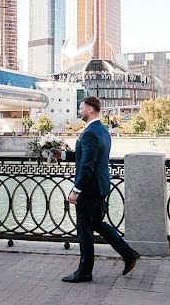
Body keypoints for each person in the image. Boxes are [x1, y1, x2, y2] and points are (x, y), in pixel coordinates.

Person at [54, 95, 140, 283]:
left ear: (90, 109)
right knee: (96, 223)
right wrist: (62, 154)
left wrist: (76, 190)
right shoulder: (102, 130)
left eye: (81, 107)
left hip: (89, 189)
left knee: (85, 230)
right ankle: (128, 254)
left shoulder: (91, 132)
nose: (79, 111)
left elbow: (87, 164)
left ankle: (85, 271)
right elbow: (85, 155)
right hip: (100, 185)